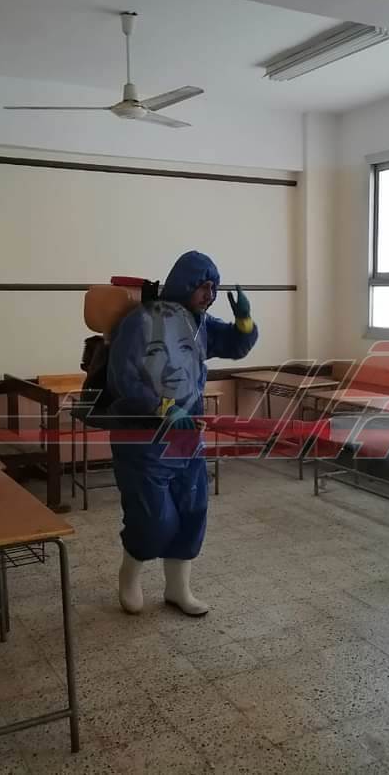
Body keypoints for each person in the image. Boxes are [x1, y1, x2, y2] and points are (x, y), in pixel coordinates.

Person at [106, 251, 257, 616]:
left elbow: (234, 346)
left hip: (187, 439)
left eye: (214, 288)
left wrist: (244, 322)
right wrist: (162, 407)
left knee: (192, 510)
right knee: (152, 517)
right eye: (203, 286)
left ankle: (178, 588)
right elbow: (123, 378)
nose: (209, 295)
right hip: (142, 440)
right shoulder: (141, 321)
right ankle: (130, 576)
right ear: (184, 284)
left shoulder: (200, 324)